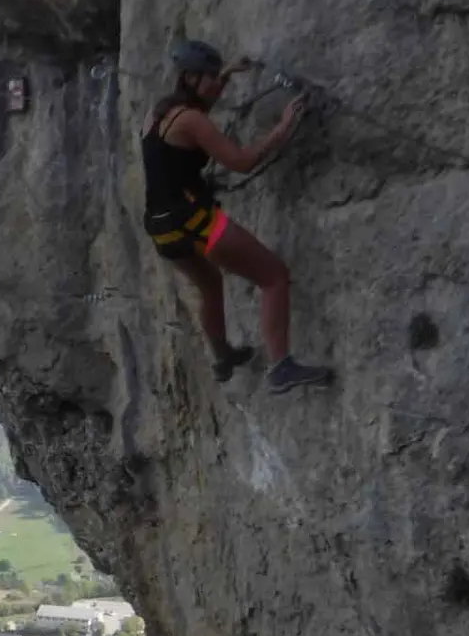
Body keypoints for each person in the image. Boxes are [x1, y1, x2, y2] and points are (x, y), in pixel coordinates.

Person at [142, 38, 333, 394]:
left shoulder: (157, 114)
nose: (216, 84)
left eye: (217, 77)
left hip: (162, 229)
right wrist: (283, 126)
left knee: (210, 286)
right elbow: (241, 161)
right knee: (274, 276)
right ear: (191, 78)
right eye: (211, 77)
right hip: (197, 223)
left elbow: (197, 116)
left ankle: (223, 357)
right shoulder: (193, 120)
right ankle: (281, 367)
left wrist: (227, 74)